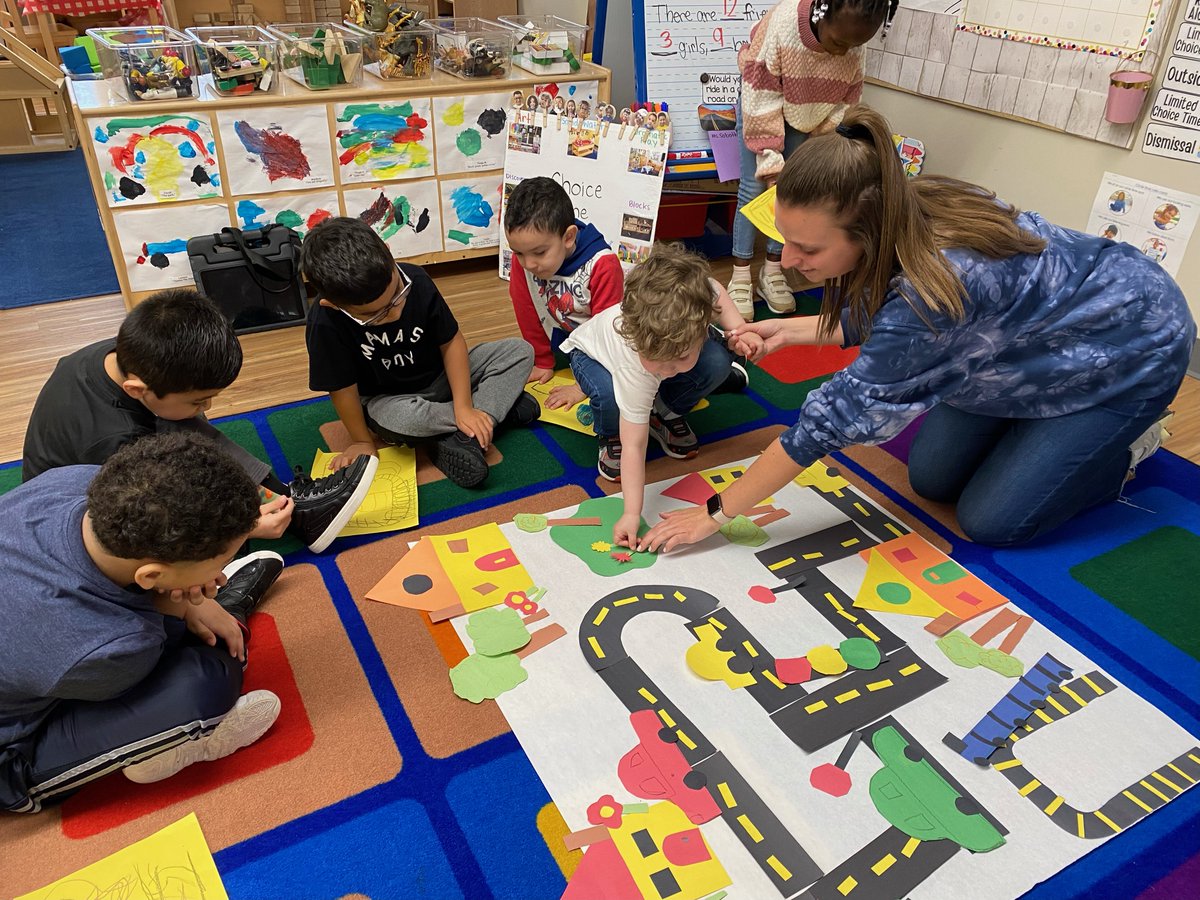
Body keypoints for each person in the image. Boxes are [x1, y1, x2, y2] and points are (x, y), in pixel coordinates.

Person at [642, 105, 1195, 552]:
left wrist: (715, 514)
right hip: (1022, 347)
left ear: (866, 233)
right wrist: (794, 331)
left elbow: (827, 421)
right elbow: (894, 308)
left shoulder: (936, 291)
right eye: (784, 239)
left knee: (993, 522)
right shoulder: (897, 206)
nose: (787, 260)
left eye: (807, 249)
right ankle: (1038, 431)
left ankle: (1124, 446)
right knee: (931, 479)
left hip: (1132, 347)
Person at [0, 434, 286, 812]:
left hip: (41, 647)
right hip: (11, 753)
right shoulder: (115, 645)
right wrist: (181, 607)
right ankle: (167, 741)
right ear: (151, 576)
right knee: (206, 680)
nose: (219, 577)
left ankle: (213, 608)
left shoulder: (72, 480)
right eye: (219, 565)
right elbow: (143, 657)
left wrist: (187, 594)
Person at [21, 289, 377, 554]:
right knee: (202, 542)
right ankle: (276, 519)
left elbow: (183, 418)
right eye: (199, 399)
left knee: (186, 423)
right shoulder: (113, 438)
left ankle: (291, 506)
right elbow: (144, 517)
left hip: (122, 446)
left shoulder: (124, 354)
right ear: (136, 389)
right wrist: (242, 528)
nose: (207, 407)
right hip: (72, 518)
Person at [300, 217, 538, 489]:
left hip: (441, 378)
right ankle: (491, 416)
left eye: (396, 295)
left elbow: (451, 343)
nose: (395, 312)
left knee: (519, 351)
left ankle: (463, 430)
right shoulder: (325, 323)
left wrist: (464, 406)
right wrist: (362, 441)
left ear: (388, 253)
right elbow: (342, 388)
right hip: (390, 400)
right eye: (375, 314)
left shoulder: (416, 278)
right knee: (402, 421)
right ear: (333, 304)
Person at [560, 243, 754, 530]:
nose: (667, 369)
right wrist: (631, 514)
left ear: (702, 327)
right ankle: (610, 434)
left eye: (680, 357)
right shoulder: (634, 368)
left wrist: (740, 331)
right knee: (611, 397)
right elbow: (634, 446)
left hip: (652, 364)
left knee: (718, 360)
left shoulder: (696, 295)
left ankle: (664, 413)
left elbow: (715, 290)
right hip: (590, 357)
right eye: (657, 359)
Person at [730, 0, 897, 320]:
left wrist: (823, 144)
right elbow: (760, 99)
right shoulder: (782, 25)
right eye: (838, 42)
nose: (843, 51)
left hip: (809, 116)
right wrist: (772, 166)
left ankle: (773, 270)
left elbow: (847, 101)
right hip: (762, 105)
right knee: (754, 189)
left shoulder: (853, 42)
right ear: (822, 14)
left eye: (854, 45)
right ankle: (740, 274)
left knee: (797, 196)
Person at [504, 176, 625, 410]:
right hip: (566, 340)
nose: (528, 263)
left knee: (610, 392)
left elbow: (608, 335)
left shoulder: (603, 265)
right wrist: (542, 360)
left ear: (568, 237)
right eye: (518, 253)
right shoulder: (525, 260)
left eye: (540, 252)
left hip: (607, 345)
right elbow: (527, 310)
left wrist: (582, 387)